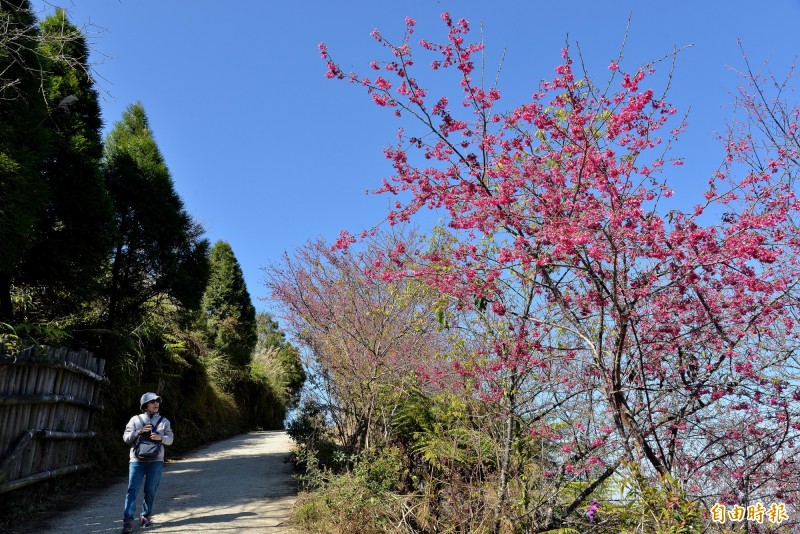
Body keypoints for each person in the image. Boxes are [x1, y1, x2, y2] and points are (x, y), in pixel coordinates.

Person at [121, 392, 174, 533]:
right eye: (152, 402)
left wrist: (160, 437)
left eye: (157, 401)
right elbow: (126, 438)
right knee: (132, 489)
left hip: (156, 460)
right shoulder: (135, 419)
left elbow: (170, 440)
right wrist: (138, 432)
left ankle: (145, 516)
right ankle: (128, 520)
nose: (156, 403)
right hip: (136, 460)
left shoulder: (164, 421)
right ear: (145, 405)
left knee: (150, 490)